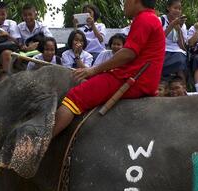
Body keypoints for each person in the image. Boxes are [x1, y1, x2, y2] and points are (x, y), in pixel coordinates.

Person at [52, 0, 164, 136]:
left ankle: (42, 147)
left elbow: (128, 53)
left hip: (132, 80)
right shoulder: (151, 18)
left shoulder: (144, 19)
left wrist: (93, 70)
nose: (124, 5)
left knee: (74, 97)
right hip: (140, 78)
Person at [159, 0, 188, 80]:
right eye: (175, 8)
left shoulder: (182, 24)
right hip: (162, 49)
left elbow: (182, 46)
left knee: (180, 61)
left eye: (179, 9)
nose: (178, 11)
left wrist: (179, 29)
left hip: (177, 50)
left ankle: (182, 88)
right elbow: (159, 39)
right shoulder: (160, 20)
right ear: (168, 8)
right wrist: (172, 25)